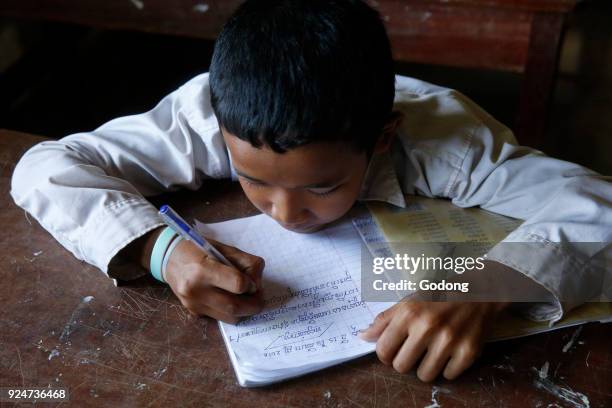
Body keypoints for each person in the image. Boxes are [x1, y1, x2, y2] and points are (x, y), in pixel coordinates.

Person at [10, 0, 611, 382]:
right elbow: (45, 165)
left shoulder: (445, 143)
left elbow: (600, 208)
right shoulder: (207, 112)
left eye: (323, 185)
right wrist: (160, 250)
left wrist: (485, 286)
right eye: (252, 179)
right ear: (220, 131)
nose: (285, 213)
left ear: (381, 140)